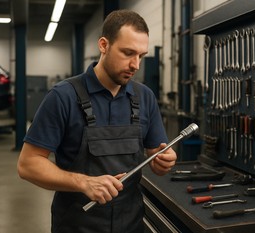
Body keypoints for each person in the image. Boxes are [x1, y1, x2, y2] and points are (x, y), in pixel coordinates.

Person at [17, 9, 177, 233]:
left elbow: (156, 155)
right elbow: (28, 164)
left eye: (140, 55)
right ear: (104, 45)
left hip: (131, 223)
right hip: (77, 224)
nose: (136, 65)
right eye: (128, 53)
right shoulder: (63, 96)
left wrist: (163, 161)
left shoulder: (145, 97)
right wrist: (84, 182)